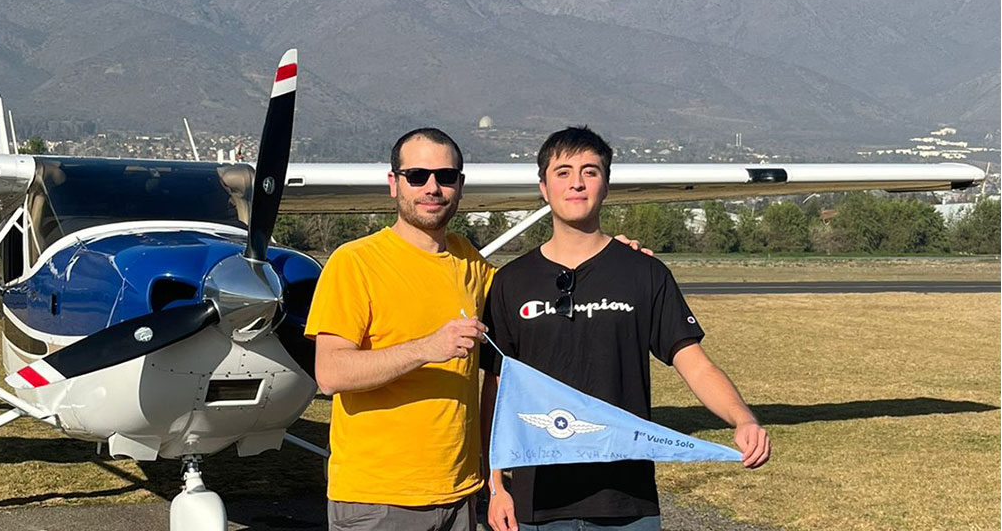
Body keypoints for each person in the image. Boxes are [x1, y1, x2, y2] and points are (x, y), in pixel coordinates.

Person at [481, 127, 770, 531]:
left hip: (626, 502)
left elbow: (695, 365)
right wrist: (496, 487)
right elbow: (498, 391)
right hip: (537, 502)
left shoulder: (644, 272)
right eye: (562, 172)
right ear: (543, 187)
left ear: (606, 184)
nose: (577, 183)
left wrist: (743, 419)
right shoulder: (511, 281)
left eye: (590, 171)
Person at [305, 127, 492, 531]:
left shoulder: (469, 261)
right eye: (417, 176)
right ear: (394, 184)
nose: (432, 187)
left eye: (445, 177)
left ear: (459, 186)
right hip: (379, 499)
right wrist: (426, 347)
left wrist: (604, 254)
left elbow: (529, 297)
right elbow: (331, 374)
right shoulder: (354, 262)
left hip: (460, 493)